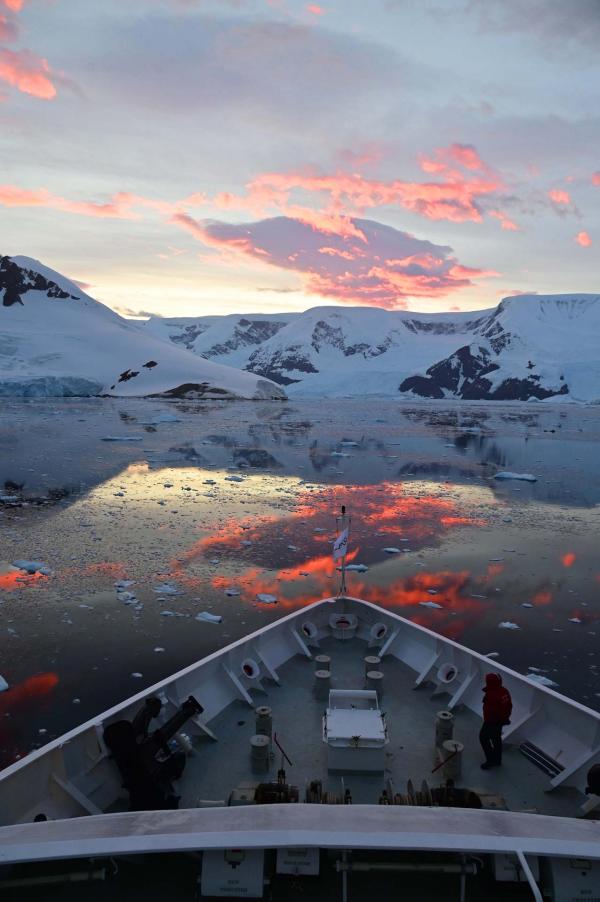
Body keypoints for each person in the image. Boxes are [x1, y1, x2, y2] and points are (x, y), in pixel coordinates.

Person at [479, 672, 512, 769]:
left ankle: (490, 761)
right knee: (496, 739)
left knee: (483, 738)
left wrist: (489, 721)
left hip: (492, 721)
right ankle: (497, 760)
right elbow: (509, 706)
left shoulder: (492, 695)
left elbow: (490, 710)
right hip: (501, 721)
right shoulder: (504, 691)